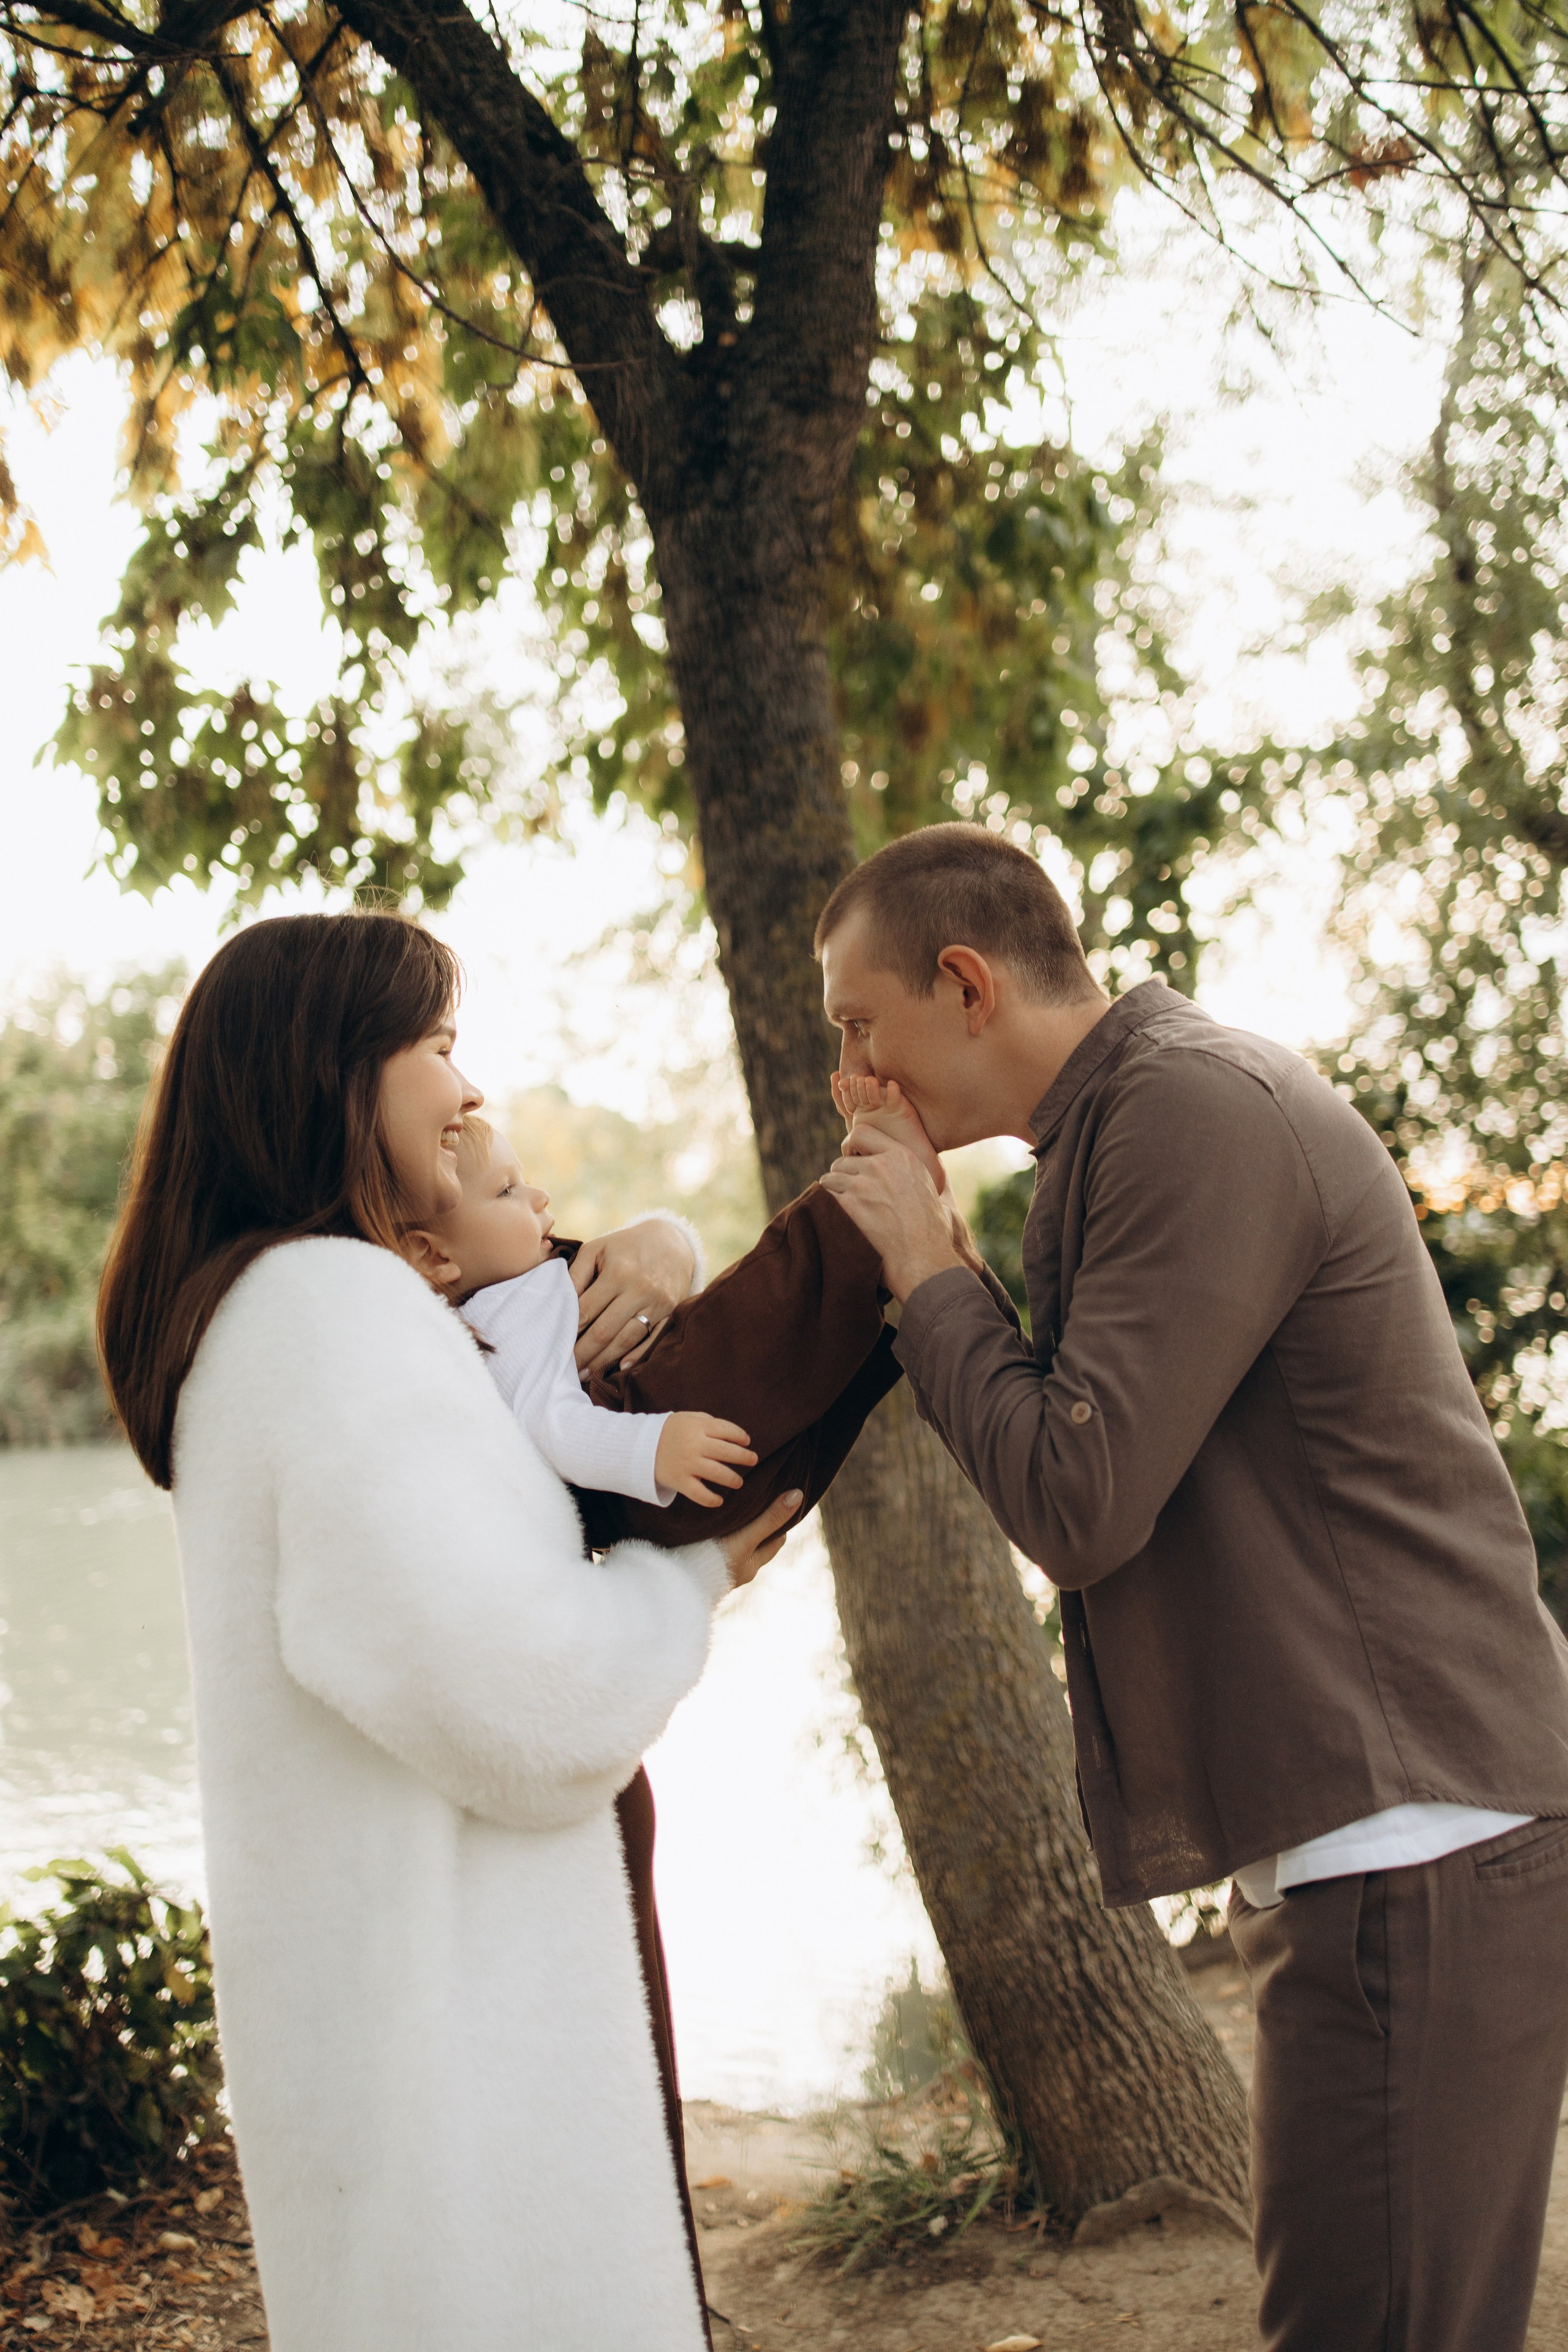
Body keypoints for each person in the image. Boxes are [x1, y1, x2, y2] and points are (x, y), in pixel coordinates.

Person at [816, 821, 1568, 2352]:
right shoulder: (1122, 1125)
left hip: (1406, 1841)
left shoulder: (1182, 1110)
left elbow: (1076, 1498)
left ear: (962, 983)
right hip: (1375, 1843)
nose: (851, 1075)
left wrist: (927, 1274)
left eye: (856, 1027)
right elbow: (1091, 1448)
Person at [96, 910, 798, 2352]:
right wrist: (689, 1581)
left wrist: (653, 1244)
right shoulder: (327, 1313)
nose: (468, 1081)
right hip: (454, 2053)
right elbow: (517, 1702)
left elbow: (529, 1317)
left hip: (401, 2021)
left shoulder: (308, 1306)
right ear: (332, 1075)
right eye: (433, 1043)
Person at [409, 1114, 903, 1547]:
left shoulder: (507, 1295)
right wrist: (652, 1447)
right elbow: (550, 1424)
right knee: (761, 1306)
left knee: (818, 1372)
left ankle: (886, 1266)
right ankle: (868, 1195)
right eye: (506, 1191)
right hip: (645, 1457)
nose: (538, 1196)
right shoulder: (502, 1313)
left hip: (678, 1485)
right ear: (436, 1256)